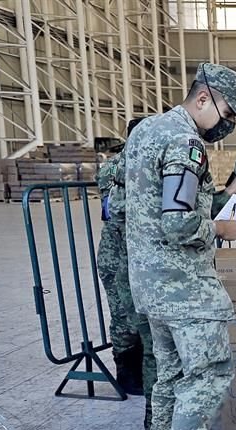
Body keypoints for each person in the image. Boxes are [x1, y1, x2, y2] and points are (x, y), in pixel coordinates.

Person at [124, 62, 236, 430]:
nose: (227, 124)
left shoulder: (146, 131)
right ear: (204, 99)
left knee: (170, 376)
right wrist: (218, 228)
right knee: (208, 376)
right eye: (226, 113)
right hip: (185, 288)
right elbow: (179, 224)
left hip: (150, 286)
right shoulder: (186, 142)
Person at [96, 118, 145, 397]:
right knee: (124, 316)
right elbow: (117, 212)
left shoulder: (147, 163)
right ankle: (126, 374)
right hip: (117, 256)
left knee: (142, 314)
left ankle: (143, 370)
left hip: (139, 255)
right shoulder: (113, 168)